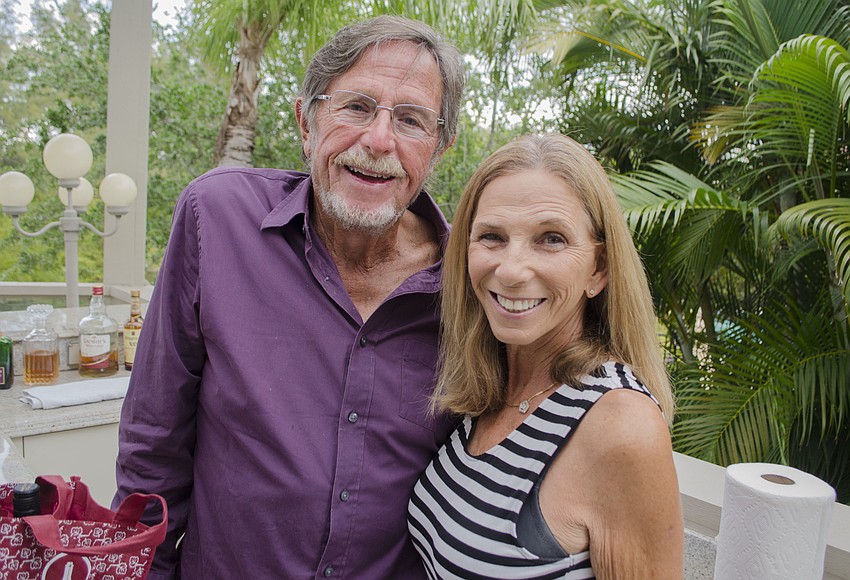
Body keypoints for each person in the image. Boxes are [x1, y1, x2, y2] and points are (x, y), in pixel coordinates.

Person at [113, 15, 465, 579]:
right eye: (355, 107)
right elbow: (154, 442)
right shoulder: (217, 219)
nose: (379, 140)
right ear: (306, 121)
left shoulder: (472, 288)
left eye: (411, 120)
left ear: (440, 148)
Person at [408, 133, 684, 579]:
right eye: (492, 237)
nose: (512, 270)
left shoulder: (619, 425)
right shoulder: (494, 387)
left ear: (599, 268)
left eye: (551, 239)